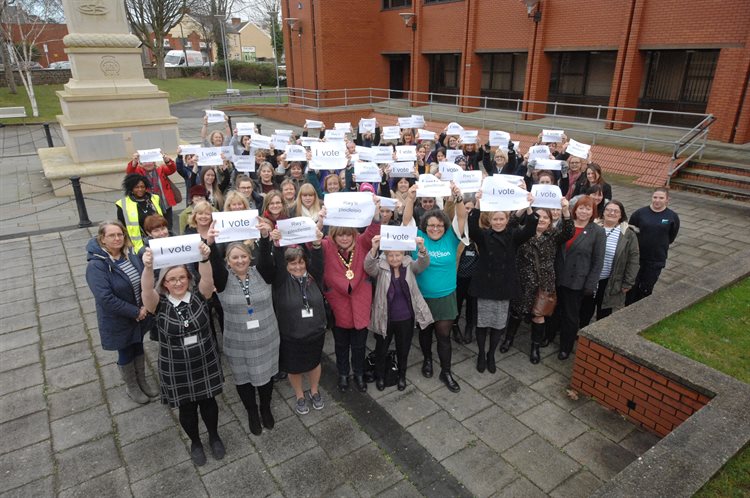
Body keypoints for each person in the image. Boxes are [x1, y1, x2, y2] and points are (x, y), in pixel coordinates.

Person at [140, 244, 225, 466]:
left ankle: (214, 436)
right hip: (176, 367)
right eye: (172, 279)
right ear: (164, 284)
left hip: (204, 361)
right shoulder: (158, 304)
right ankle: (195, 442)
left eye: (182, 278)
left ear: (188, 278)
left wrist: (205, 259)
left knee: (209, 402)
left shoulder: (200, 295)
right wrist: (148, 268)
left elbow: (207, 279)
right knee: (187, 408)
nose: (178, 283)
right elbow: (146, 291)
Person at [208, 231, 279, 436]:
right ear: (228, 261)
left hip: (267, 337)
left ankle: (265, 407)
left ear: (250, 257)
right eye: (235, 257)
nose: (240, 260)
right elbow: (213, 263)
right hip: (238, 340)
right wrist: (211, 244)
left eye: (244, 256)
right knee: (243, 379)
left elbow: (266, 255)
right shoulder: (222, 279)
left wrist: (265, 237)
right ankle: (252, 412)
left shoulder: (262, 273)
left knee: (266, 377)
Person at [402, 184, 467, 392]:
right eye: (431, 225)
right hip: (421, 297)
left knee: (443, 335)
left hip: (446, 297)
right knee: (425, 332)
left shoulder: (451, 238)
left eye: (439, 225)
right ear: (425, 226)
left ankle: (446, 371)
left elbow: (462, 218)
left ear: (445, 227)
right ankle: (428, 359)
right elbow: (406, 221)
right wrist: (410, 199)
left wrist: (458, 199)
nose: (435, 228)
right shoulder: (417, 238)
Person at [86, 221, 156, 404]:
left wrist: (144, 307)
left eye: (120, 234)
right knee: (125, 351)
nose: (117, 238)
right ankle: (132, 386)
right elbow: (105, 298)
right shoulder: (96, 265)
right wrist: (135, 312)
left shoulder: (129, 255)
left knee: (138, 346)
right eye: (112, 235)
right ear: (102, 239)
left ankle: (142, 380)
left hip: (139, 314)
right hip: (119, 319)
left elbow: (143, 280)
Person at [469, 192, 538, 373]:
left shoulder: (514, 235)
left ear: (507, 219)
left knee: (498, 324)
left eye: (502, 219)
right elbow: (471, 227)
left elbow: (530, 230)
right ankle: (481, 354)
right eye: (495, 219)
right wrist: (477, 202)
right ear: (490, 220)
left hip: (503, 286)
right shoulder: (483, 235)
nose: (498, 222)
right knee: (482, 323)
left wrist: (529, 205)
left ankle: (491, 354)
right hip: (485, 286)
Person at [320, 197, 381, 393]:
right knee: (340, 345)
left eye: (348, 235)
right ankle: (344, 374)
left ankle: (359, 373)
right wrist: (320, 220)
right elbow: (309, 242)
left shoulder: (362, 243)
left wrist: (375, 211)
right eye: (340, 235)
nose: (345, 239)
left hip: (361, 303)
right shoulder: (326, 245)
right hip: (338, 305)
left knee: (359, 345)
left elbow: (373, 231)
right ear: (334, 235)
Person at [264, 228, 327, 415]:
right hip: (291, 334)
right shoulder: (281, 280)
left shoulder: (314, 275)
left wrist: (316, 244)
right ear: (286, 266)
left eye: (300, 263)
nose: (297, 267)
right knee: (294, 367)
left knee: (315, 363)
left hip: (316, 331)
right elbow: (274, 260)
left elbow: (318, 259)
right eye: (292, 264)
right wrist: (275, 245)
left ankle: (314, 391)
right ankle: (300, 395)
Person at [365, 234, 432, 391]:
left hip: (405, 318)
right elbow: (368, 267)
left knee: (403, 348)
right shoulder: (380, 267)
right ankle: (380, 376)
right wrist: (374, 249)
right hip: (385, 317)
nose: (395, 259)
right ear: (386, 255)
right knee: (381, 348)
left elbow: (423, 264)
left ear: (404, 255)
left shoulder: (409, 265)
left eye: (398, 255)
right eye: (391, 255)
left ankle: (402, 375)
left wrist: (422, 248)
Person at [512, 199, 573, 363]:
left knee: (538, 316)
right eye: (538, 216)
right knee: (516, 313)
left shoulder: (553, 236)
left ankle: (535, 347)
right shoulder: (523, 233)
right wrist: (523, 207)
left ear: (550, 220)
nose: (542, 220)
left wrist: (566, 211)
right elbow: (511, 223)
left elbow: (569, 232)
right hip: (522, 282)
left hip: (543, 283)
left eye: (546, 217)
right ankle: (508, 340)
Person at [555, 197, 606, 360]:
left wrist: (591, 283)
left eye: (588, 209)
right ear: (574, 209)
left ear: (593, 212)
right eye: (581, 208)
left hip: (577, 280)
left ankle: (565, 347)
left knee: (570, 316)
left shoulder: (597, 231)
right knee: (554, 310)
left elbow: (598, 260)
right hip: (557, 276)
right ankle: (548, 336)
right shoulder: (564, 224)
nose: (584, 211)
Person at [580, 200, 640, 325]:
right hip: (589, 278)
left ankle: (597, 337)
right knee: (584, 309)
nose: (612, 213)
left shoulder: (627, 233)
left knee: (604, 312)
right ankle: (581, 333)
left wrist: (628, 282)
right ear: (603, 212)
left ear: (621, 215)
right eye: (608, 210)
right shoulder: (593, 227)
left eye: (616, 211)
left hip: (610, 280)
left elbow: (633, 259)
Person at [626, 188, 680, 305]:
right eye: (655, 197)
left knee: (647, 286)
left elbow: (671, 237)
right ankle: (628, 307)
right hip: (637, 257)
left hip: (656, 259)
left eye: (661, 198)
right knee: (632, 284)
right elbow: (630, 232)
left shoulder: (672, 217)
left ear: (667, 200)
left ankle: (641, 307)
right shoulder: (640, 213)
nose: (657, 200)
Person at [126, 152, 180, 231]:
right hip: (149, 204)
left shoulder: (160, 169)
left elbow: (172, 169)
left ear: (154, 162)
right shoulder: (138, 171)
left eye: (150, 161)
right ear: (141, 163)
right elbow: (129, 172)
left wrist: (167, 160)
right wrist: (134, 162)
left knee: (168, 225)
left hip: (165, 204)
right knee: (152, 226)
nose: (148, 164)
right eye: (145, 162)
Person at [116, 174, 163, 254]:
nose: (140, 189)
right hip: (138, 246)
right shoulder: (122, 204)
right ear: (131, 188)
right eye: (136, 187)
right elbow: (122, 227)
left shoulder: (155, 198)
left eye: (142, 187)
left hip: (159, 239)